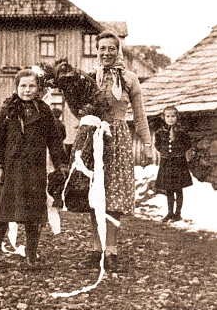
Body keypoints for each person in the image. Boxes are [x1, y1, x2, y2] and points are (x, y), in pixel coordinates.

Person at [49, 31, 152, 272]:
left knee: (114, 197)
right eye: (102, 48)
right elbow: (78, 110)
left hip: (117, 141)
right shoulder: (89, 77)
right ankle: (96, 250)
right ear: (97, 51)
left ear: (119, 51)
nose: (106, 53)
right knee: (94, 196)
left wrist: (147, 145)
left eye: (111, 48)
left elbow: (139, 115)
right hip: (91, 140)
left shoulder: (129, 79)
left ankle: (112, 251)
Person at [0, 69, 68, 273]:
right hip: (10, 170)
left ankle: (31, 256)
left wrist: (61, 163)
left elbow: (54, 140)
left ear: (39, 88)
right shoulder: (7, 110)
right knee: (2, 213)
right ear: (16, 87)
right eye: (23, 86)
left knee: (33, 214)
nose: (27, 90)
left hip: (34, 171)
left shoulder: (44, 112)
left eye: (31, 86)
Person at [155, 106, 193, 222]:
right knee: (169, 189)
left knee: (178, 188)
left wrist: (179, 153)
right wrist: (165, 152)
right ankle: (170, 212)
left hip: (179, 163)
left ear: (177, 117)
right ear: (163, 117)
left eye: (173, 116)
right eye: (168, 116)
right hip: (166, 163)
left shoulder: (181, 132)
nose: (170, 119)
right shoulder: (160, 132)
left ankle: (178, 213)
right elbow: (158, 145)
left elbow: (187, 144)